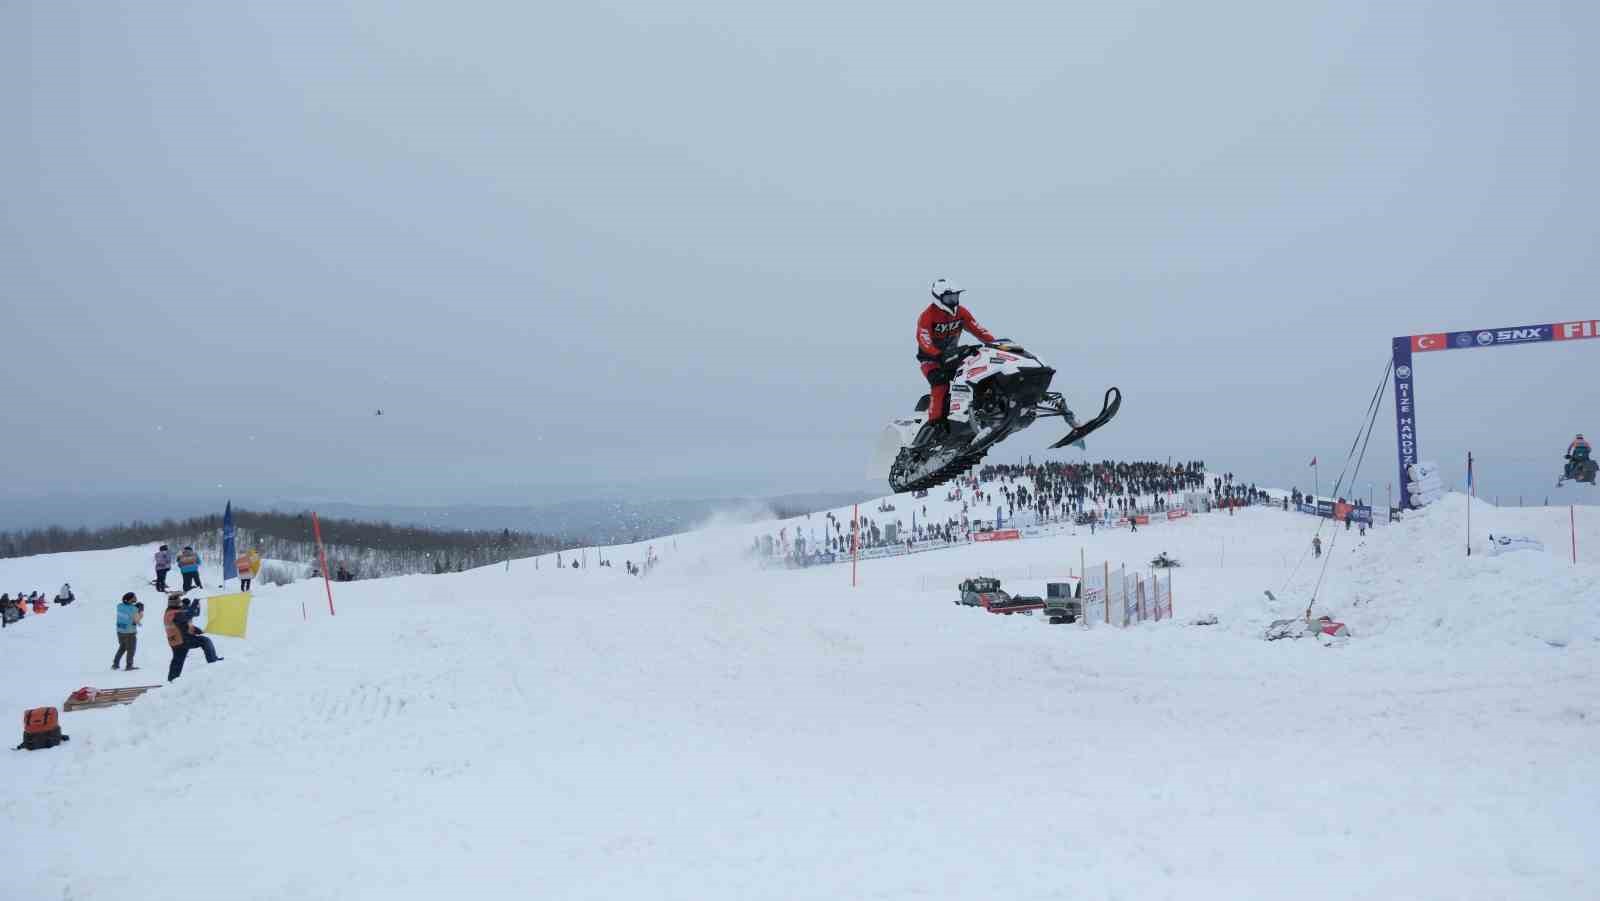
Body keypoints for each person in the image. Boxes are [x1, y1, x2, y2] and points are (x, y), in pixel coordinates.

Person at [912, 279, 996, 448]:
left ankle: (979, 410)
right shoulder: (927, 316)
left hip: (952, 357)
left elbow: (977, 329)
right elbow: (923, 339)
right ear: (938, 298)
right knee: (940, 383)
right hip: (931, 360)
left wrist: (995, 344)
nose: (954, 301)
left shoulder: (961, 313)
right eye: (949, 298)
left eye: (956, 296)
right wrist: (938, 355)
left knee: (975, 371)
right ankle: (935, 424)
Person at [163, 593, 221, 681]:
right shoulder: (174, 613)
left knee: (177, 661)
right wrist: (195, 603)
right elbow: (188, 615)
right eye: (179, 601)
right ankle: (213, 662)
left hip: (175, 641)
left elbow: (184, 624)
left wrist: (197, 630)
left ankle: (172, 680)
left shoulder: (170, 612)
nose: (181, 603)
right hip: (182, 640)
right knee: (205, 641)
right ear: (176, 603)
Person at [113, 592, 144, 671]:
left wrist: (136, 609)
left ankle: (115, 664)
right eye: (134, 597)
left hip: (120, 631)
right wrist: (140, 611)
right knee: (131, 650)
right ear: (130, 599)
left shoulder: (119, 606)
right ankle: (129, 666)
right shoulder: (134, 609)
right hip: (129, 633)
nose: (136, 598)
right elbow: (137, 621)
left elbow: (127, 612)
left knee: (122, 648)